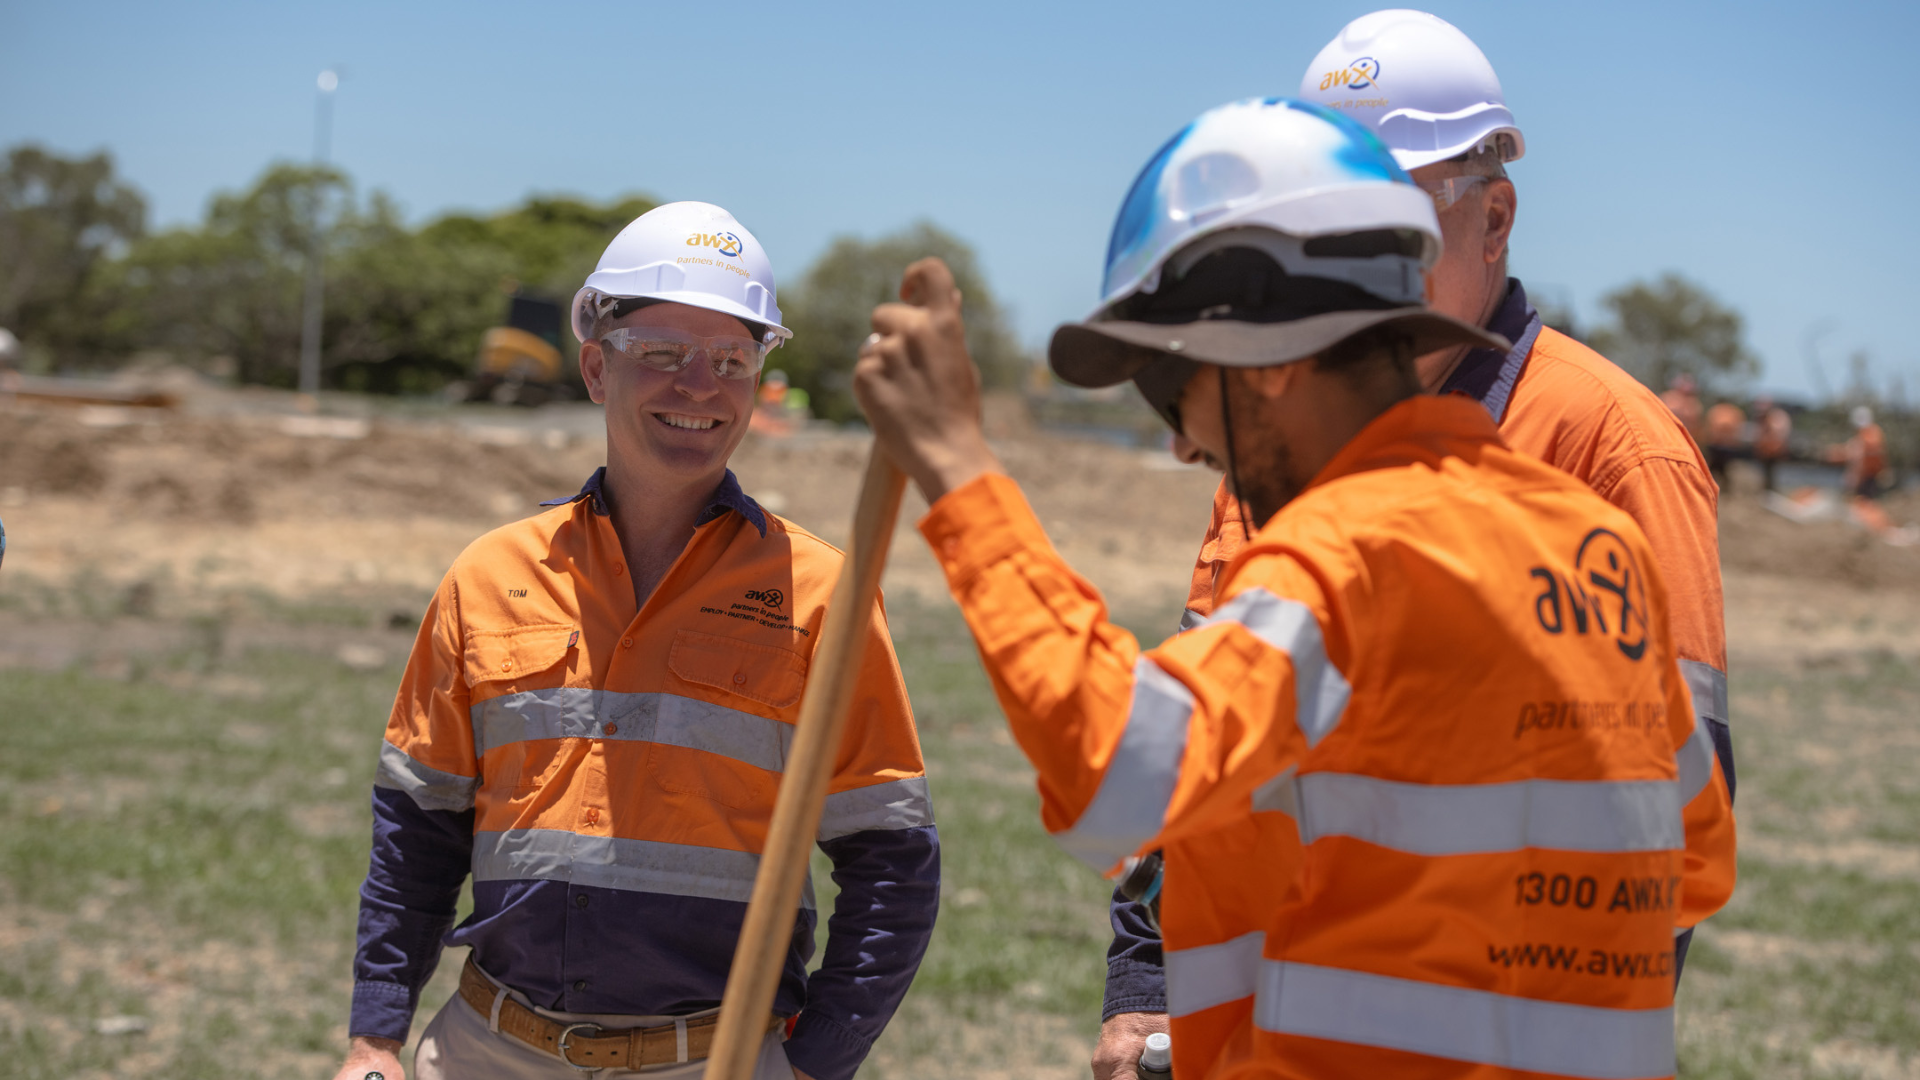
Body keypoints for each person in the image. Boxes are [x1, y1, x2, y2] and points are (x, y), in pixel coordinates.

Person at [853, 98, 1733, 1080]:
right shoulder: (1591, 547)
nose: (1183, 442)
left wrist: (959, 472)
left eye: (1165, 385)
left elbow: (1117, 770)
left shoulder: (1352, 546)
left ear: (1259, 360)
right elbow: (1693, 856)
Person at [1098, 15, 1741, 1074]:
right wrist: (1141, 988)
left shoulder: (1612, 448)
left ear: (1496, 219)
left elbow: (1663, 831)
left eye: (1391, 226)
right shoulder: (1280, 423)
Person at [333, 202, 939, 1080]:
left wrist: (818, 1062)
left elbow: (892, 858)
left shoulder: (823, 595)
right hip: (488, 1051)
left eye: (733, 361)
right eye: (661, 353)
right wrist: (376, 1037)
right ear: (593, 367)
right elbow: (417, 831)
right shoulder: (485, 574)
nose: (701, 386)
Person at [1841, 405, 1891, 499]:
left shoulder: (1867, 436)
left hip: (1866, 478)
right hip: (1872, 477)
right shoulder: (1875, 432)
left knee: (1864, 502)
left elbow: (1860, 459)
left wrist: (1854, 479)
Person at [1752, 396, 1791, 493]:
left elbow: (1778, 436)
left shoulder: (1777, 417)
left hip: (1774, 451)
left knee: (1773, 473)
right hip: (1766, 452)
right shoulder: (1763, 419)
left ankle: (1771, 492)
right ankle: (1767, 491)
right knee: (1766, 473)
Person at [1704, 399, 1746, 490]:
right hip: (1717, 445)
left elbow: (1736, 429)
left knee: (1726, 469)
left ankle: (1724, 488)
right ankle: (1710, 487)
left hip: (1727, 446)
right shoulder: (1717, 411)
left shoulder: (1731, 412)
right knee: (1713, 468)